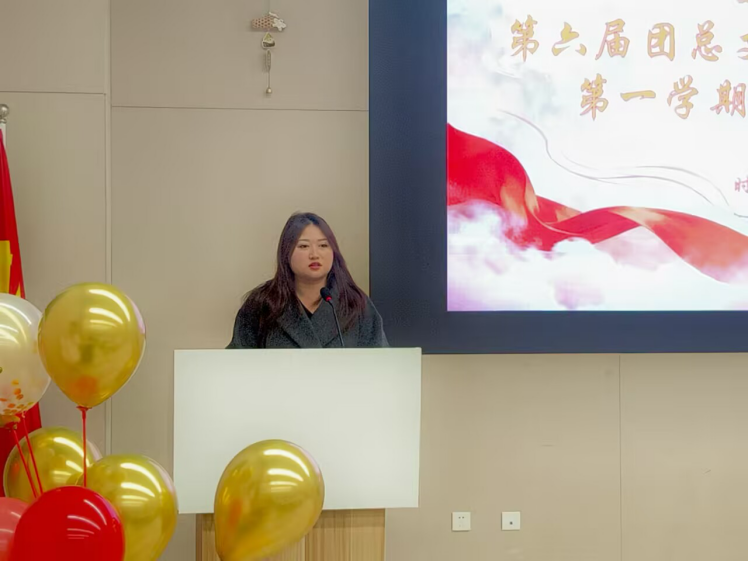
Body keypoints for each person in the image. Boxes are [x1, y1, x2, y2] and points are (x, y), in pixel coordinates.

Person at [227, 212, 388, 348]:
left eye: (323, 245)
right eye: (303, 246)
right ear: (286, 253)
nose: (314, 254)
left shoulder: (355, 303)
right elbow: (238, 362)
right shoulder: (262, 304)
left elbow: (380, 361)